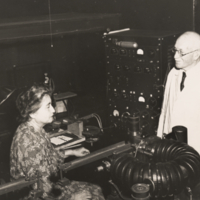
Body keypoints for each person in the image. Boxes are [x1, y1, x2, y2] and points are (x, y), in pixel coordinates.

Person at [10, 83, 105, 200]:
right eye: (48, 106)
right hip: (36, 196)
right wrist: (73, 197)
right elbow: (39, 189)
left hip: (48, 184)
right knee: (92, 195)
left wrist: (72, 151)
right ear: (32, 113)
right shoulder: (29, 143)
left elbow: (48, 156)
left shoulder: (34, 129)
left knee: (95, 190)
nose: (53, 110)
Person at [157, 31, 200, 153]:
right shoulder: (173, 74)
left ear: (196, 54)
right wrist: (159, 139)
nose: (175, 56)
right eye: (175, 50)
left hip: (195, 149)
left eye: (181, 53)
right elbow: (164, 111)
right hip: (170, 147)